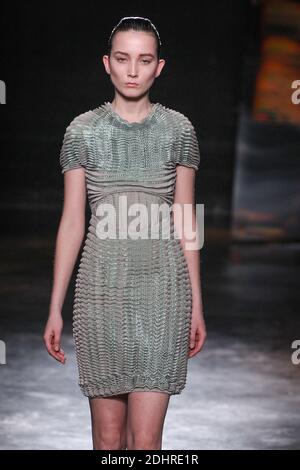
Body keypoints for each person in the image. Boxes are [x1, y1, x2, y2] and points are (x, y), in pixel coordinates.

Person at [43, 16, 207, 451]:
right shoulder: (82, 131)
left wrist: (197, 303)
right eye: (123, 58)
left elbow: (187, 219)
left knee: (147, 442)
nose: (133, 70)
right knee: (108, 440)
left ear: (159, 67)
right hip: (101, 291)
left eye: (144, 59)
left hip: (165, 291)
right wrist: (55, 307)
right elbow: (72, 221)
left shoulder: (178, 130)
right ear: (107, 64)